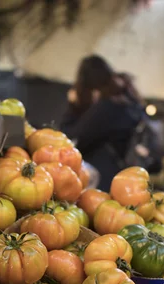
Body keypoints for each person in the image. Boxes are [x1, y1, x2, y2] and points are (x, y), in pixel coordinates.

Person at [60, 55, 144, 191]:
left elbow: (71, 138)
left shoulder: (107, 107)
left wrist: (73, 106)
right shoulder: (127, 101)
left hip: (100, 180)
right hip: (120, 176)